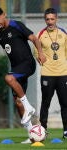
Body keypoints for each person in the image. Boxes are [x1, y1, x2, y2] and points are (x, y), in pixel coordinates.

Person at [0, 6, 46, 143]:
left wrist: (40, 53)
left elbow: (34, 39)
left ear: (4, 14)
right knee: (18, 103)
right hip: (17, 69)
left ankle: (29, 107)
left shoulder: (16, 25)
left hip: (27, 64)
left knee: (8, 78)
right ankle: (32, 136)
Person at [34, 8, 67, 138]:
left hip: (63, 73)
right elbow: (36, 51)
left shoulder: (63, 33)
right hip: (47, 73)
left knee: (65, 103)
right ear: (45, 20)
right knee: (45, 103)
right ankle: (43, 130)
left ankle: (66, 131)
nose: (50, 22)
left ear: (56, 19)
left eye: (52, 19)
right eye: (47, 19)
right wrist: (40, 58)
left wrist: (62, 64)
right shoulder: (40, 34)